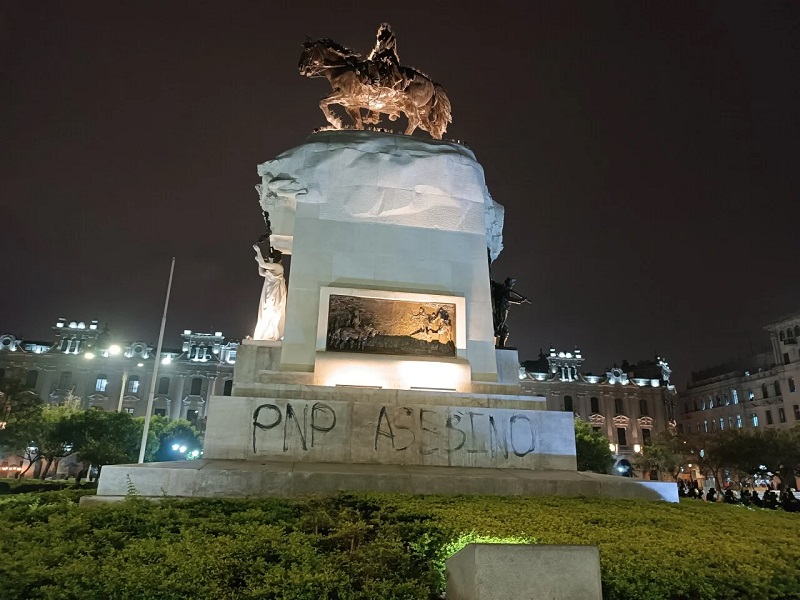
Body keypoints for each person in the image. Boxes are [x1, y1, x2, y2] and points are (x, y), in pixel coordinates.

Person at [253, 244, 287, 341]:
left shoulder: (278, 267)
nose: (269, 260)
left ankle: (271, 333)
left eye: (269, 258)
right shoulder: (274, 268)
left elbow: (263, 265)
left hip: (274, 293)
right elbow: (261, 272)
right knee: (265, 311)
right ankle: (264, 333)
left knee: (273, 310)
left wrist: (258, 252)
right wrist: (259, 262)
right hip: (269, 292)